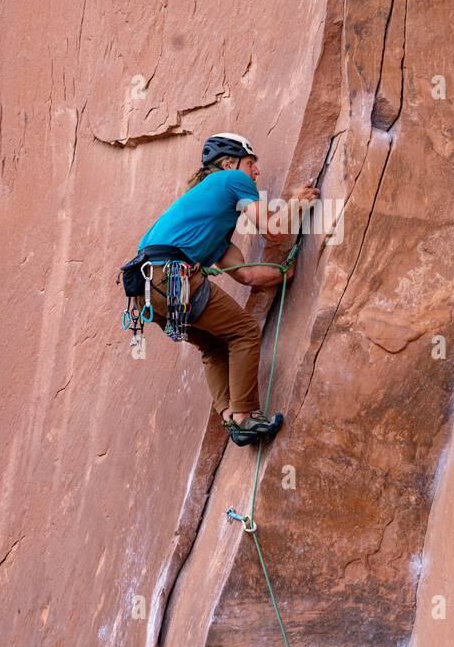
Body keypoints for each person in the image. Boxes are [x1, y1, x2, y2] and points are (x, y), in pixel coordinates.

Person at [135, 133, 318, 446]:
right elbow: (273, 231)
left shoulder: (212, 225)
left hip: (144, 290)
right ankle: (245, 416)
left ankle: (229, 417)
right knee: (245, 331)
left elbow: (246, 275)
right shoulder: (231, 179)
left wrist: (284, 275)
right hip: (171, 276)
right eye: (251, 163)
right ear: (230, 163)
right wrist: (297, 205)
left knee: (213, 346)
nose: (256, 172)